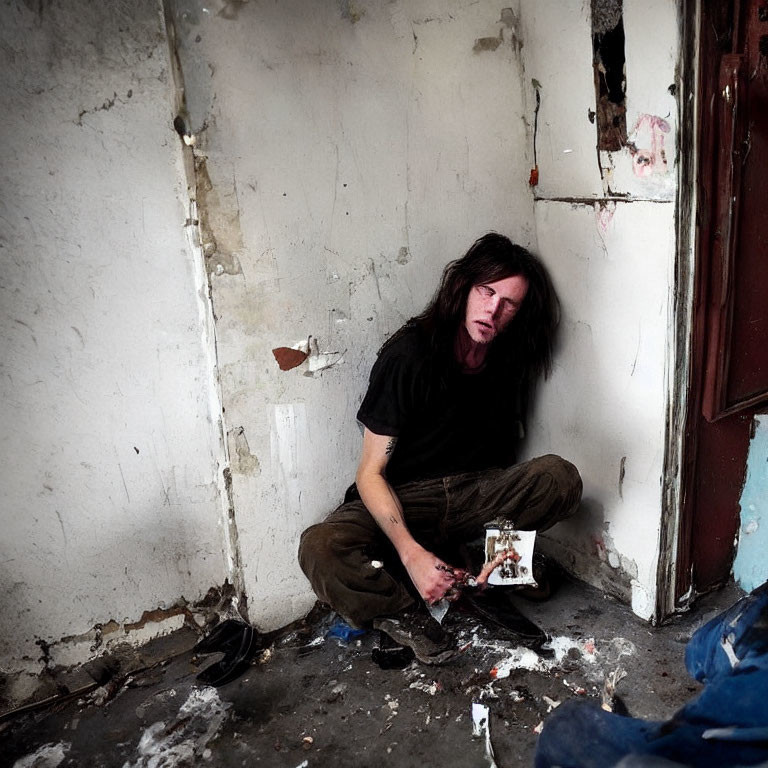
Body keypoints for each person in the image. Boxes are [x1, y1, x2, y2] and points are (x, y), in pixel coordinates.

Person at [299, 233, 582, 660]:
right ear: (463, 287)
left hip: (474, 492)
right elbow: (370, 474)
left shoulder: (509, 357)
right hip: (406, 498)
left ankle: (485, 567)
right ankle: (404, 611)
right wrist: (411, 554)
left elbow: (504, 466)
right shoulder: (410, 354)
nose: (493, 310)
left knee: (559, 477)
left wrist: (501, 548)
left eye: (509, 303)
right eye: (486, 292)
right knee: (320, 547)